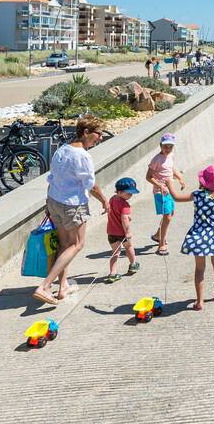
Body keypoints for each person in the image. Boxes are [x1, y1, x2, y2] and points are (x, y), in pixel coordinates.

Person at [34, 117, 108, 305]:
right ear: (85, 132)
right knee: (77, 244)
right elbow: (91, 186)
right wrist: (105, 201)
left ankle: (63, 286)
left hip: (55, 200)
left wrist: (48, 205)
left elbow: (52, 178)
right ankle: (45, 286)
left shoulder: (62, 150)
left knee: (64, 244)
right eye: (98, 134)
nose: (99, 138)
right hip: (73, 205)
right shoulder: (82, 155)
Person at [170, 164, 214, 311]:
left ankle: (199, 301)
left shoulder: (197, 195)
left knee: (199, 269)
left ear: (202, 182)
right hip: (213, 236)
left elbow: (176, 198)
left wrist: (169, 183)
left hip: (197, 236)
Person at [145, 132, 186, 255]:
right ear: (160, 145)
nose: (168, 149)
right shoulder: (156, 159)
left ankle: (158, 235)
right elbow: (148, 177)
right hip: (160, 192)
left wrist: (179, 177)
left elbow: (171, 168)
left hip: (169, 190)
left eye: (170, 146)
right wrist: (160, 185)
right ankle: (161, 244)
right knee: (167, 216)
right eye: (165, 146)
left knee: (170, 214)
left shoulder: (170, 155)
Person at [104, 177, 141, 283]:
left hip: (111, 231)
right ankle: (133, 264)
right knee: (129, 247)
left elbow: (113, 212)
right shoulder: (125, 205)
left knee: (115, 253)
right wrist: (128, 231)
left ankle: (113, 273)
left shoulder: (112, 199)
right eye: (128, 193)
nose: (131, 195)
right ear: (119, 192)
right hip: (122, 233)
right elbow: (124, 219)